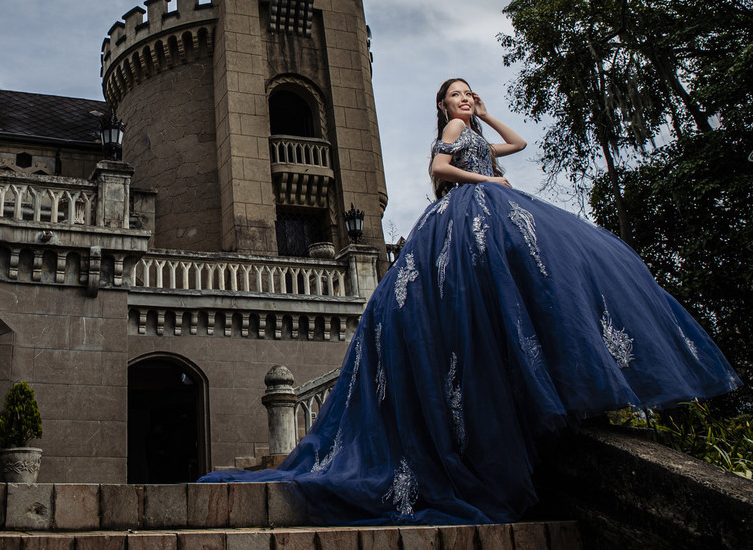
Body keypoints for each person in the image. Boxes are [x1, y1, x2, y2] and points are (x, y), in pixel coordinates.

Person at [200, 78, 741, 525]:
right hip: (466, 207)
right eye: (456, 96)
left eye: (467, 94)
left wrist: (487, 114)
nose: (464, 101)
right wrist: (485, 175)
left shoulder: (473, 127)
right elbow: (439, 171)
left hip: (489, 201)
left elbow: (518, 144)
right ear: (442, 106)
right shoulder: (453, 131)